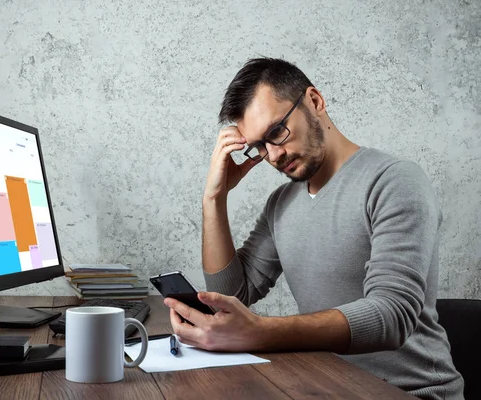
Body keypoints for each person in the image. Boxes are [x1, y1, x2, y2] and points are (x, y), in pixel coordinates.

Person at [163, 57, 464, 399]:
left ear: (315, 102)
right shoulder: (281, 204)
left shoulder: (394, 181)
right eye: (259, 146)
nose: (273, 155)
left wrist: (260, 331)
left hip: (410, 392)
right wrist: (214, 198)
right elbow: (233, 296)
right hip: (324, 386)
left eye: (276, 132)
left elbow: (392, 315)